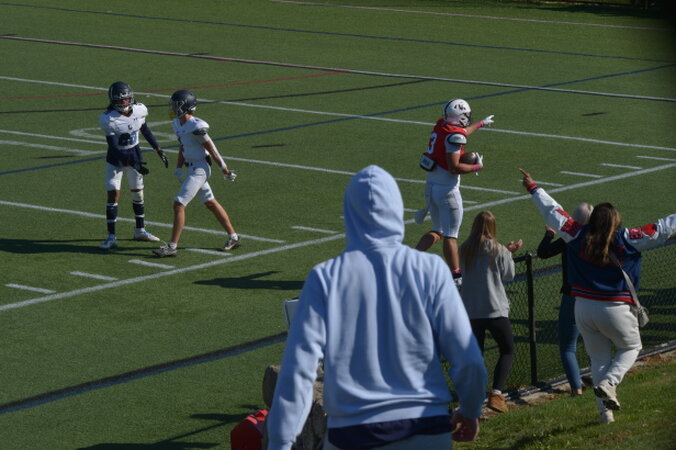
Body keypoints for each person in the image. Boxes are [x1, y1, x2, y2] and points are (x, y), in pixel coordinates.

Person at [266, 165, 487, 450]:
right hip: (427, 428)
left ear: (350, 212)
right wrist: (470, 409)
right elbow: (467, 357)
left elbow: (298, 369)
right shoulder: (430, 268)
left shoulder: (326, 277)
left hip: (354, 433)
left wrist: (280, 442)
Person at [520, 168, 675, 424]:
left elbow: (553, 211)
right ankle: (610, 383)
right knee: (631, 347)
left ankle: (605, 414)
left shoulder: (576, 234)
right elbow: (663, 228)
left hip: (583, 309)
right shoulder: (628, 238)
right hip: (615, 308)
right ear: (615, 221)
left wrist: (533, 188)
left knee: (599, 359)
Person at [414, 98, 494, 287]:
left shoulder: (442, 125)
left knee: (437, 230)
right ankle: (456, 276)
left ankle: (411, 259)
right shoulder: (454, 135)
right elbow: (454, 167)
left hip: (431, 186)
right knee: (451, 235)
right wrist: (476, 167)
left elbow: (461, 132)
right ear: (460, 116)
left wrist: (481, 124)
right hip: (447, 191)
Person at [153, 90, 240, 257]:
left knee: (179, 204)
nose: (173, 108)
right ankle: (234, 237)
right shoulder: (177, 123)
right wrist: (179, 167)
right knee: (210, 203)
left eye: (176, 105)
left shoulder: (196, 126)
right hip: (191, 168)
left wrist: (225, 169)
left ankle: (172, 246)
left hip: (200, 169)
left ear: (186, 106)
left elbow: (212, 149)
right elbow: (183, 146)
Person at [458, 211, 523, 413]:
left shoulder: (464, 249)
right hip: (495, 310)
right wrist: (508, 253)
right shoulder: (498, 249)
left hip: (471, 311)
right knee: (507, 350)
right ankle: (496, 394)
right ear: (492, 227)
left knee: (475, 355)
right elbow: (509, 275)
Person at [98, 81, 168, 250]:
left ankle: (140, 230)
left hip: (135, 155)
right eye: (121, 100)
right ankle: (111, 237)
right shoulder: (108, 118)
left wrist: (158, 149)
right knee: (113, 195)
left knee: (138, 193)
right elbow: (114, 146)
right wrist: (132, 163)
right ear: (113, 100)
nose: (124, 102)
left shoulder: (139, 110)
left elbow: (145, 130)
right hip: (116, 159)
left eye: (127, 99)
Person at [536, 203, 594, 396]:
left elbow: (543, 252)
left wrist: (549, 234)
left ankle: (576, 388)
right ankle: (601, 379)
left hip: (572, 295)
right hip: (594, 296)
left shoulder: (571, 238)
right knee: (596, 342)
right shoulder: (602, 239)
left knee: (568, 347)